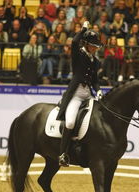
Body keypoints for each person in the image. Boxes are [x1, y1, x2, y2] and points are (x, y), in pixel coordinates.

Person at [56, 21, 102, 167]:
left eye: (96, 46)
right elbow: (74, 41)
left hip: (88, 93)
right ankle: (63, 154)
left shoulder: (95, 60)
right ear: (87, 44)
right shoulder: (78, 54)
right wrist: (83, 29)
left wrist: (99, 90)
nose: (95, 48)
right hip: (76, 93)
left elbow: (94, 80)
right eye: (94, 46)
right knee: (70, 122)